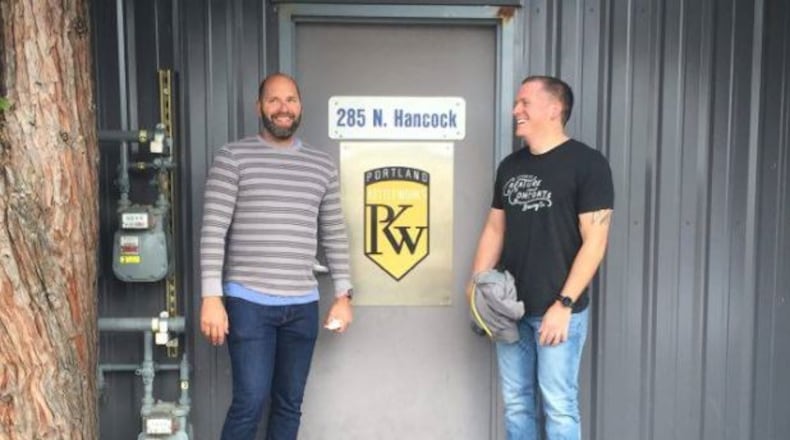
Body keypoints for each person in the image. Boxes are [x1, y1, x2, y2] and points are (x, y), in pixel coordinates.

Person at [199, 73, 353, 440]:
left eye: (291, 100)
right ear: (259, 107)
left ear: (300, 106)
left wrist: (343, 296)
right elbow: (213, 231)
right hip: (249, 304)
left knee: (288, 405)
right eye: (274, 100)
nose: (283, 109)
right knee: (250, 402)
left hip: (302, 306)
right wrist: (211, 297)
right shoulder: (232, 158)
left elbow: (334, 233)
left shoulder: (321, 166)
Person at [469, 75, 614, 440]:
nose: (515, 110)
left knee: (559, 404)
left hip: (559, 311)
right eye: (516, 103)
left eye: (524, 103)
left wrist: (564, 304)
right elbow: (494, 229)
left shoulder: (588, 164)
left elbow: (594, 242)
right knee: (517, 402)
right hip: (511, 309)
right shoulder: (510, 166)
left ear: (554, 109)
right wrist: (476, 285)